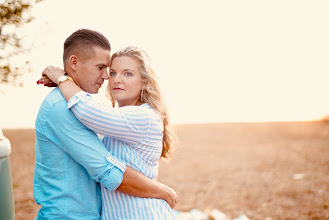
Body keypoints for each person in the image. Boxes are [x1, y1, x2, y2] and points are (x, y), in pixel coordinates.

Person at [34, 29, 177, 220]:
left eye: (127, 73)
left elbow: (89, 111)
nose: (109, 78)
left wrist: (62, 78)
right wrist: (161, 191)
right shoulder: (63, 107)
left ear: (144, 81)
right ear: (74, 63)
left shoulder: (140, 116)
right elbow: (107, 171)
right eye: (105, 69)